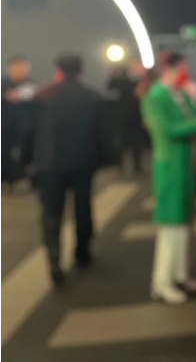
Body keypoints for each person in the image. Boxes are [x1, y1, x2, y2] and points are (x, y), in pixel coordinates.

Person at [141, 52, 196, 304]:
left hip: (189, 166)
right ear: (169, 69)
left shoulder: (181, 93)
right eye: (182, 69)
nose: (185, 74)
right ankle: (161, 282)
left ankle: (180, 274)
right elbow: (167, 130)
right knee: (171, 226)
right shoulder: (155, 97)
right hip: (171, 167)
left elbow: (195, 117)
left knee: (185, 223)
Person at [33, 55, 109, 286]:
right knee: (83, 209)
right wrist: (104, 160)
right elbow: (102, 132)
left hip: (49, 164)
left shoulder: (44, 96)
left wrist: (28, 162)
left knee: (51, 213)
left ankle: (54, 259)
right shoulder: (92, 96)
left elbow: (28, 132)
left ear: (58, 71)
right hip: (83, 163)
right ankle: (82, 253)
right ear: (80, 71)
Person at [2, 56, 38, 189]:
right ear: (10, 69)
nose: (21, 72)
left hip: (27, 128)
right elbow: (10, 97)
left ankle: (27, 179)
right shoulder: (3, 84)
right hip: (5, 127)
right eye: (18, 69)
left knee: (27, 155)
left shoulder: (31, 84)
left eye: (24, 69)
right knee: (4, 154)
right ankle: (5, 180)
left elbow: (35, 97)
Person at [107, 65, 146, 175]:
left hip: (120, 119)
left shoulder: (114, 84)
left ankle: (120, 166)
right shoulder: (133, 84)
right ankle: (137, 167)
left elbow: (110, 101)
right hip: (134, 118)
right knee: (135, 145)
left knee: (120, 143)